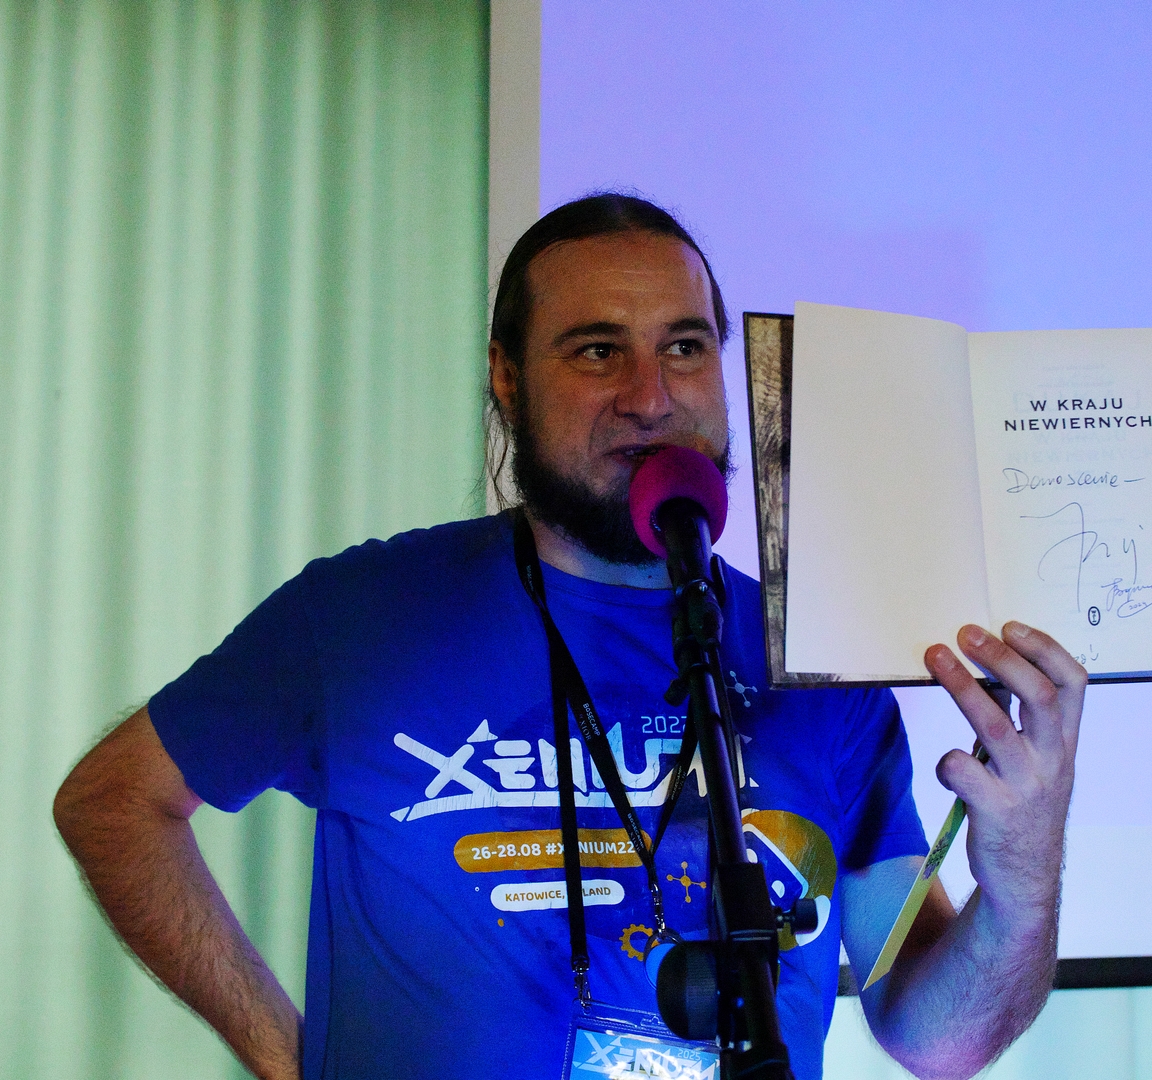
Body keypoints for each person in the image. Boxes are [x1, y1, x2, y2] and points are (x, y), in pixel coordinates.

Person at [54, 194, 1084, 1080]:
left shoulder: (815, 663)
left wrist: (1024, 877)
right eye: (598, 350)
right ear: (506, 377)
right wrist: (287, 1058)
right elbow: (114, 802)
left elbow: (937, 1039)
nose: (651, 397)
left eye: (684, 347)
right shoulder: (364, 616)